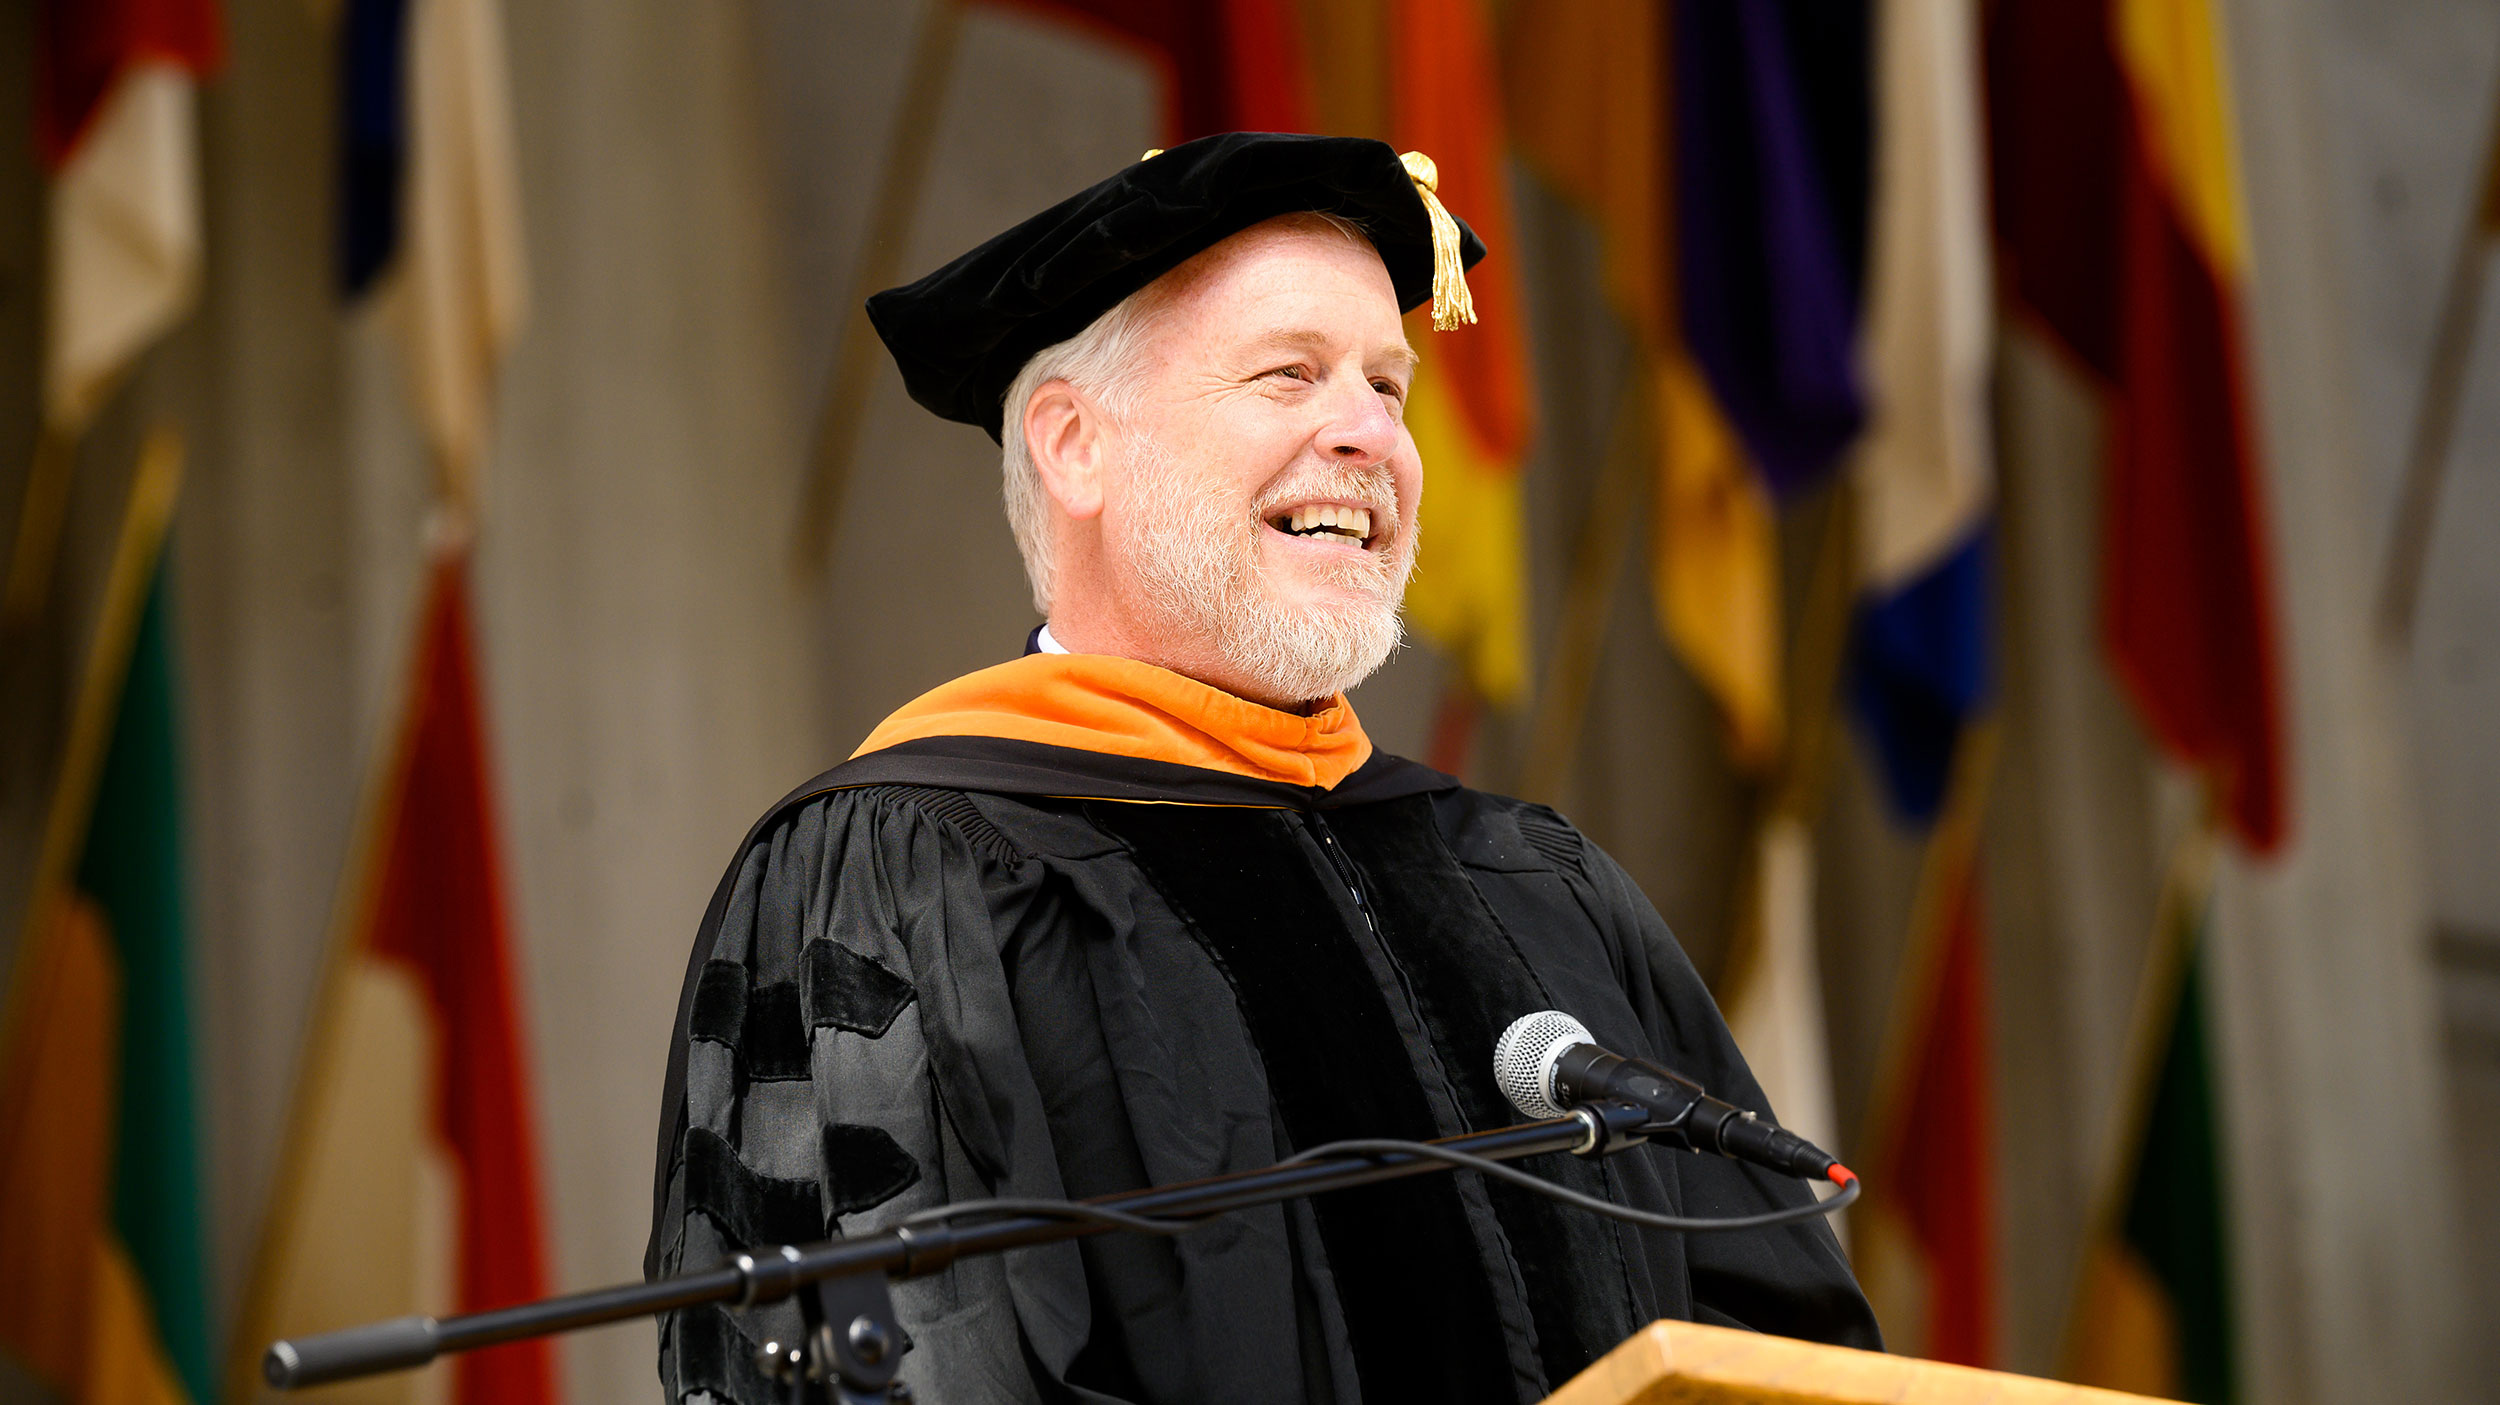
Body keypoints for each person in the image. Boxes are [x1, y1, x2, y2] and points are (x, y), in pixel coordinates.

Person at [647, 133, 1877, 1405]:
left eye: (1387, 388)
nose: (1370, 437)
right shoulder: (901, 878)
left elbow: (1777, 1352)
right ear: (1077, 446)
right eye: (1290, 374)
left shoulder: (1531, 883)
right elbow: (879, 1369)